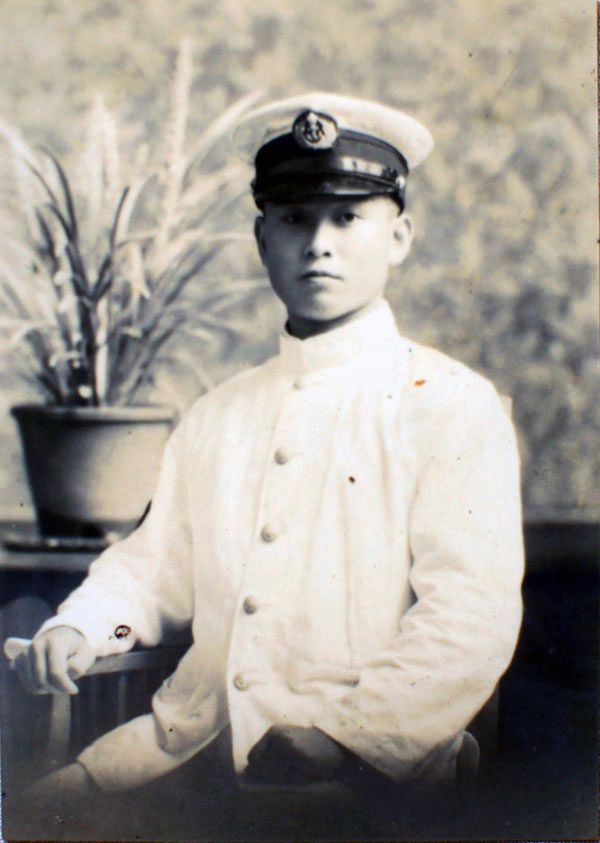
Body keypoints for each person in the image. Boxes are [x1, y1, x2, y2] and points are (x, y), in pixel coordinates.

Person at [9, 92, 524, 832]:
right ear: (261, 238)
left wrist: (346, 737)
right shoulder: (217, 414)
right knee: (34, 817)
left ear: (400, 236)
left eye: (347, 218)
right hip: (187, 748)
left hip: (370, 779)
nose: (319, 243)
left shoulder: (449, 404)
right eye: (293, 219)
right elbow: (154, 570)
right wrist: (83, 627)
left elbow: (469, 615)